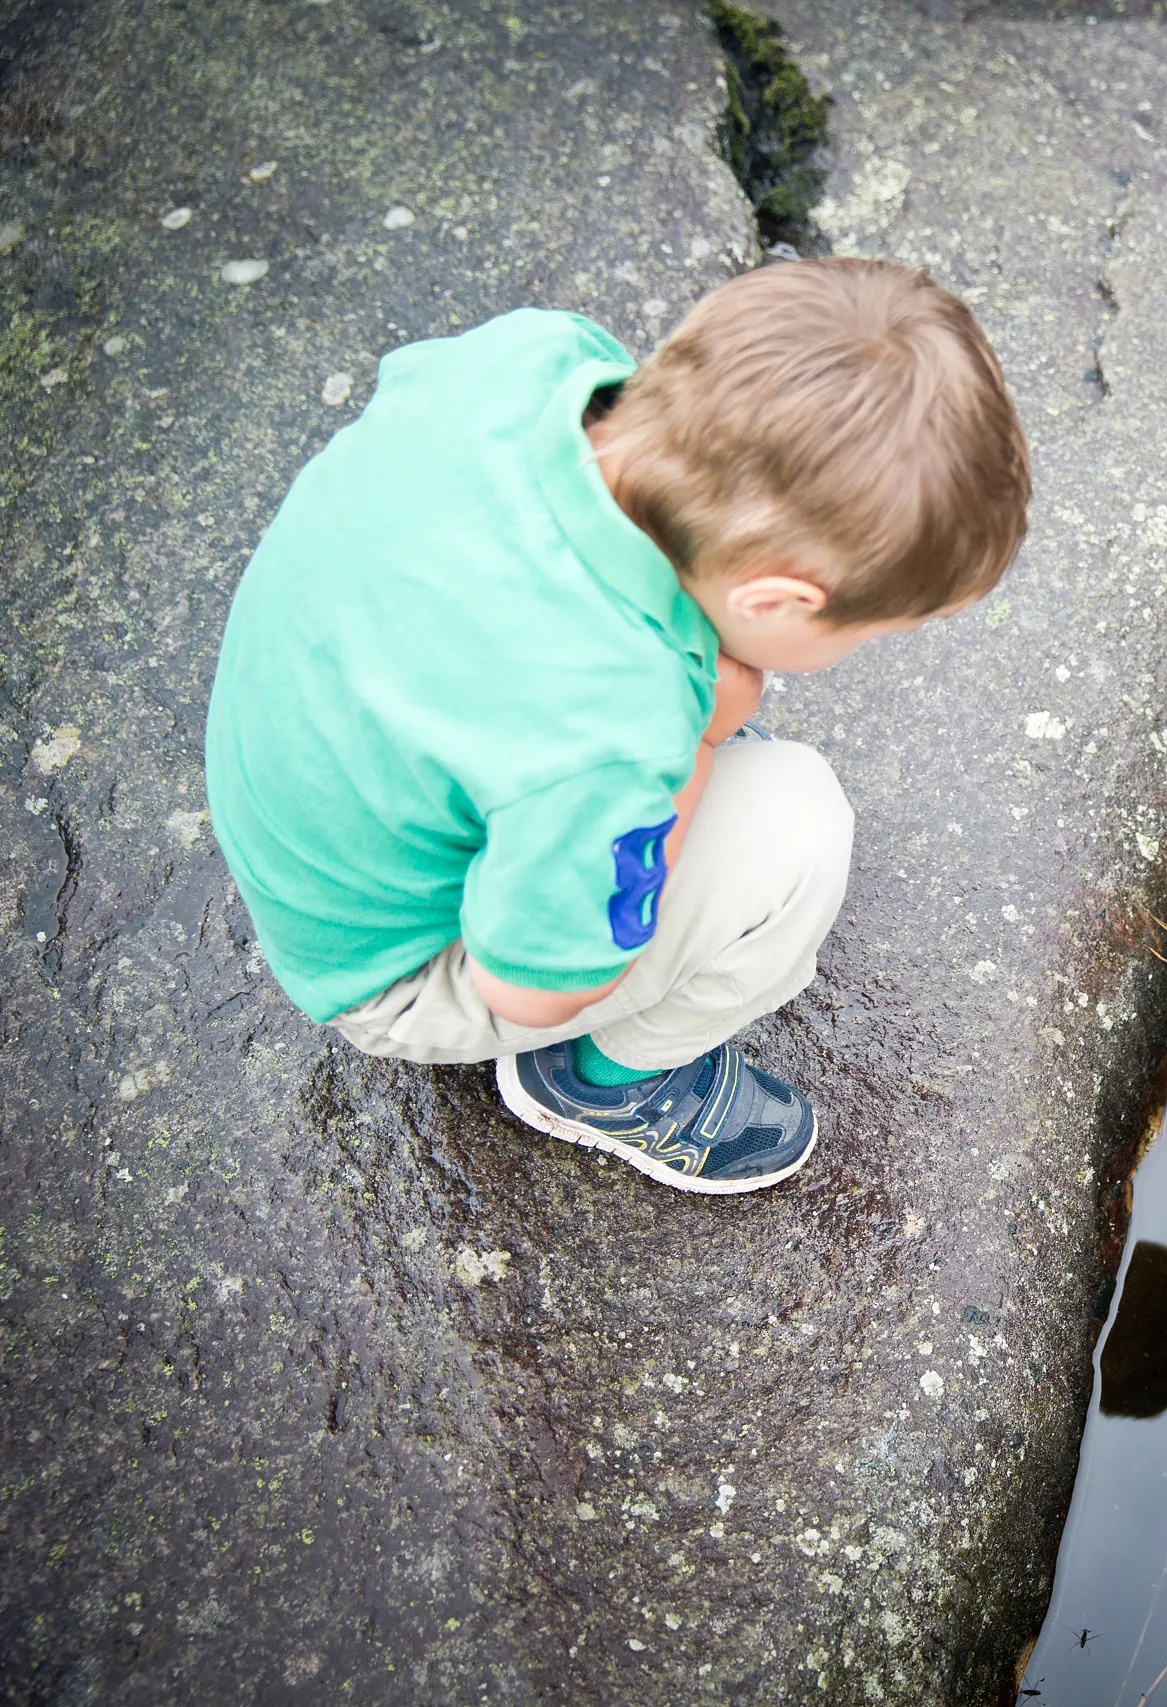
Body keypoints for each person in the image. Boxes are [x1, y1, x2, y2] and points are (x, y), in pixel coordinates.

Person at [205, 259, 1030, 1192]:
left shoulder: (535, 361)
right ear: (776, 598)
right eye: (876, 631)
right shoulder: (612, 727)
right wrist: (699, 742)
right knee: (798, 833)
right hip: (390, 967)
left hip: (301, 775)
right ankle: (603, 1085)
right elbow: (535, 982)